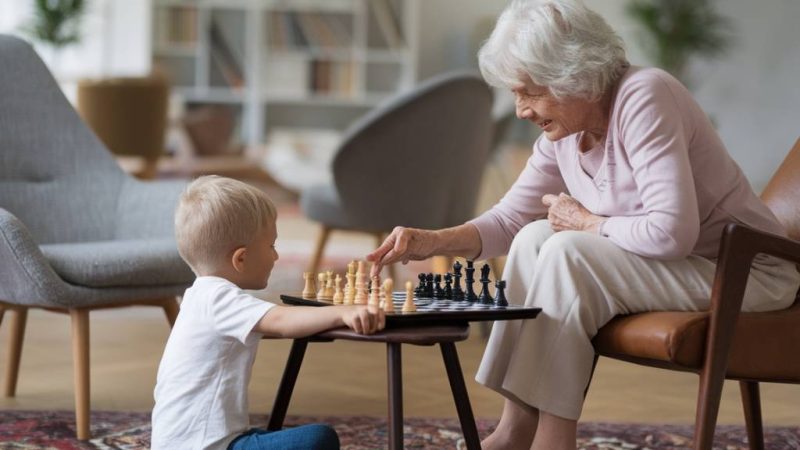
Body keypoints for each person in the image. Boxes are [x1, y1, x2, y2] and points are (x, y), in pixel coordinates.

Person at [366, 1, 800, 449]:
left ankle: (554, 440)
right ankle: (516, 429)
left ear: (573, 75)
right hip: (691, 265)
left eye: (529, 92)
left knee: (567, 248)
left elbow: (672, 232)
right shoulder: (566, 130)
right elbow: (510, 219)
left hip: (748, 272)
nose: (520, 110)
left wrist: (589, 223)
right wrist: (429, 241)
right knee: (536, 237)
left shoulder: (646, 95)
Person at [152, 176, 386, 450]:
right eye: (272, 246)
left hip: (186, 443)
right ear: (241, 259)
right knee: (319, 438)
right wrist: (342, 313)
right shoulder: (219, 298)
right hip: (206, 446)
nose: (276, 257)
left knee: (274, 435)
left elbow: (274, 324)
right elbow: (281, 321)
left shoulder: (199, 296)